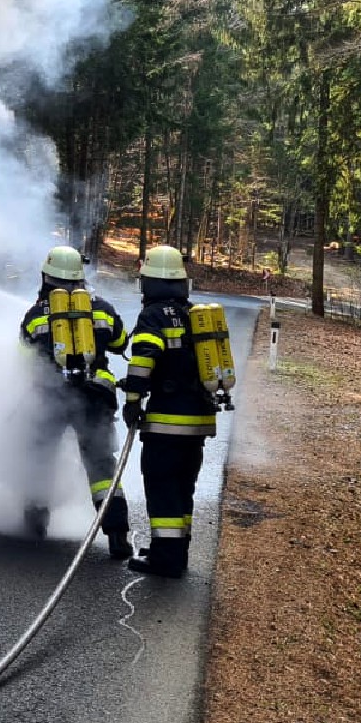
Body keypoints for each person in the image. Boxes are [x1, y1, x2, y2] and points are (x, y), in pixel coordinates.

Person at [19, 246, 134, 561]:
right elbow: (121, 342)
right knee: (101, 466)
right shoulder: (102, 309)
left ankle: (34, 528)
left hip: (50, 398)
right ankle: (117, 535)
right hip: (95, 397)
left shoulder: (35, 315)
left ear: (47, 277)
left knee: (40, 458)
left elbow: (24, 358)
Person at [120, 245, 219, 579]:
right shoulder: (195, 315)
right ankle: (175, 552)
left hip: (167, 423)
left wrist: (133, 399)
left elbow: (144, 358)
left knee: (162, 488)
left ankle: (166, 560)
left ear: (150, 282)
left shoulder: (153, 316)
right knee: (182, 488)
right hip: (198, 422)